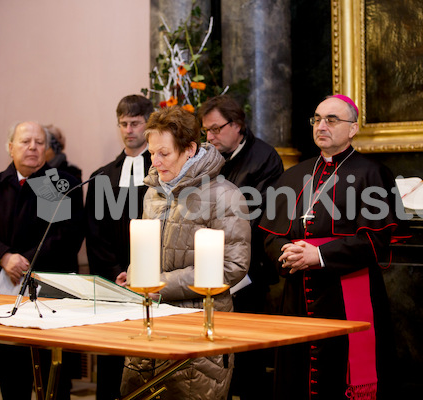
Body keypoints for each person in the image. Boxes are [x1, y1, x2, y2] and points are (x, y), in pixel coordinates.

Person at [259, 95, 399, 400]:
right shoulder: (294, 175)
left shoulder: (372, 174)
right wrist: (288, 253)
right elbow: (270, 236)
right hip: (297, 295)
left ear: (353, 128)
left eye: (332, 120)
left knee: (340, 375)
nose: (322, 125)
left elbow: (375, 240)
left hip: (345, 294)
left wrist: (319, 255)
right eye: (317, 119)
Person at [117, 106, 251, 399]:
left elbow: (231, 266)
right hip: (151, 319)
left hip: (198, 323)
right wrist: (135, 273)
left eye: (164, 153)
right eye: (152, 153)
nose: (155, 161)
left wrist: (160, 284)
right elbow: (149, 247)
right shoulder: (153, 193)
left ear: (189, 149)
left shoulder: (225, 195)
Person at [0, 121, 84, 400]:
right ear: (10, 148)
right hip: (6, 294)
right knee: (12, 380)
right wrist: (4, 257)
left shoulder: (57, 184)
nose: (33, 147)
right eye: (25, 141)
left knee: (55, 384)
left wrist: (25, 262)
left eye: (39, 142)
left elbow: (64, 234)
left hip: (51, 293)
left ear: (46, 148)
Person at [198, 95, 283, 399]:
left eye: (216, 129)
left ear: (236, 125)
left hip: (249, 269)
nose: (209, 137)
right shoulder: (209, 156)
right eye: (205, 130)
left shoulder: (265, 158)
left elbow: (257, 213)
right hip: (210, 265)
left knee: (247, 356)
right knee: (214, 351)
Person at [85, 94, 154, 400]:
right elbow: (94, 233)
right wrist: (116, 272)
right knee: (112, 360)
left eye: (135, 123)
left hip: (154, 278)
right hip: (114, 281)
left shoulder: (164, 169)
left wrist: (143, 271)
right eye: (123, 124)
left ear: (148, 124)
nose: (129, 130)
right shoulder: (102, 176)